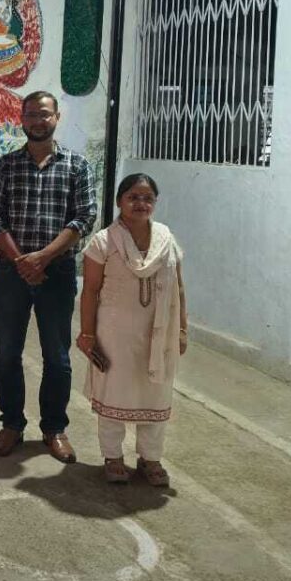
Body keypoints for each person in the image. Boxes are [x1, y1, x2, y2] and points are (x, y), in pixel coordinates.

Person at [0, 90, 97, 462]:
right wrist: (21, 261)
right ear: (21, 119)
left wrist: (43, 258)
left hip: (57, 272)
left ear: (56, 117)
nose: (37, 120)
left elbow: (84, 217)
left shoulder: (77, 165)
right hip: (12, 271)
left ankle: (54, 429)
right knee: (7, 354)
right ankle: (11, 425)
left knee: (57, 357)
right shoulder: (6, 165)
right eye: (30, 114)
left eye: (44, 114)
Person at [78, 174, 187, 487]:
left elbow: (179, 287)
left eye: (148, 198)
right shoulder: (103, 242)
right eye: (133, 197)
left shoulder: (166, 239)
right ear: (119, 202)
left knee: (155, 392)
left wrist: (182, 329)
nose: (141, 203)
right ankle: (112, 456)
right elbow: (90, 291)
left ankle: (150, 458)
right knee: (114, 391)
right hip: (115, 334)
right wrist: (87, 335)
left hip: (159, 334)